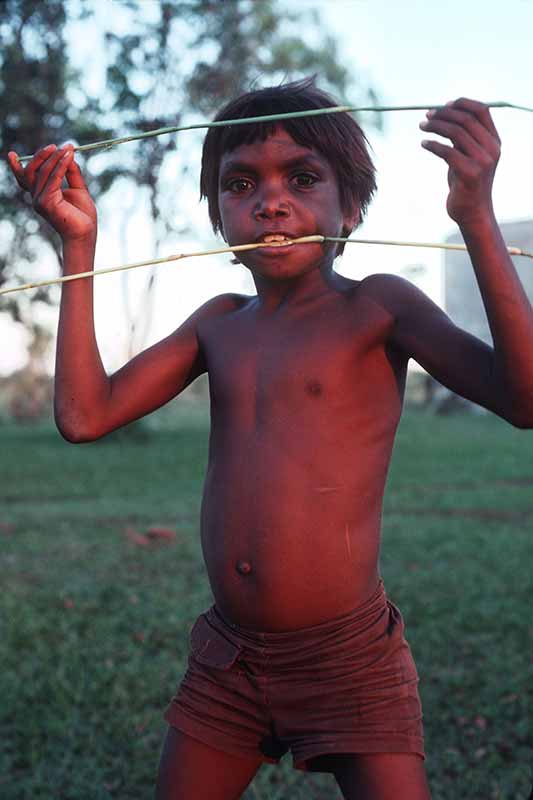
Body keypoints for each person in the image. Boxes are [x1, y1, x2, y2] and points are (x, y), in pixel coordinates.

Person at [8, 77, 533, 800]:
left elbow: (523, 398)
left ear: (350, 208)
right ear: (220, 215)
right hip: (228, 661)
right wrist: (77, 247)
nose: (271, 200)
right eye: (241, 183)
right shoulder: (217, 324)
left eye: (303, 178)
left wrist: (474, 215)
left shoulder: (378, 306)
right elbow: (84, 416)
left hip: (350, 659)